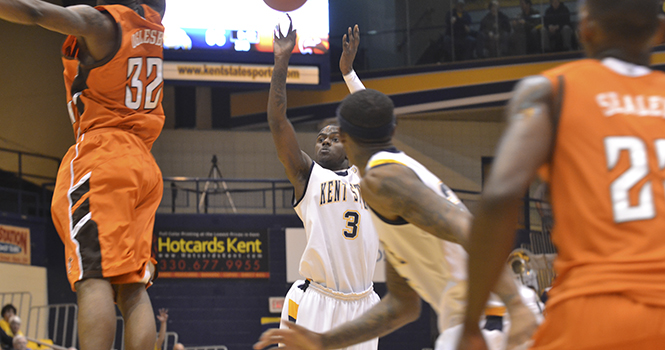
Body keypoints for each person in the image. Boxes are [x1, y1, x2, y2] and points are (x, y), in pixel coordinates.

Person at [254, 87, 539, 349]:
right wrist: (324, 340)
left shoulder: (383, 181)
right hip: (479, 318)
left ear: (346, 138)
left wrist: (516, 306)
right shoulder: (386, 183)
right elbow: (403, 307)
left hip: (496, 317)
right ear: (393, 129)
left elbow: (470, 230)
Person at [457, 1, 665, 349]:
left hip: (595, 309)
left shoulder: (551, 91)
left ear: (585, 28)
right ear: (660, 30)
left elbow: (499, 195)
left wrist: (469, 325)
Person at [0, 1, 166, 350]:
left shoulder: (103, 24)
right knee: (132, 285)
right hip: (144, 163)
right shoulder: (152, 29)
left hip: (104, 156)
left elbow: (35, 12)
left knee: (92, 276)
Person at [269, 22, 380, 350]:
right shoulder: (307, 175)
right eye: (320, 139)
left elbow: (374, 120)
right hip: (316, 299)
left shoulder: (368, 174)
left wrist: (347, 73)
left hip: (363, 303)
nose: (326, 143)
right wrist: (281, 64)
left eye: (335, 138)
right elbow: (278, 122)